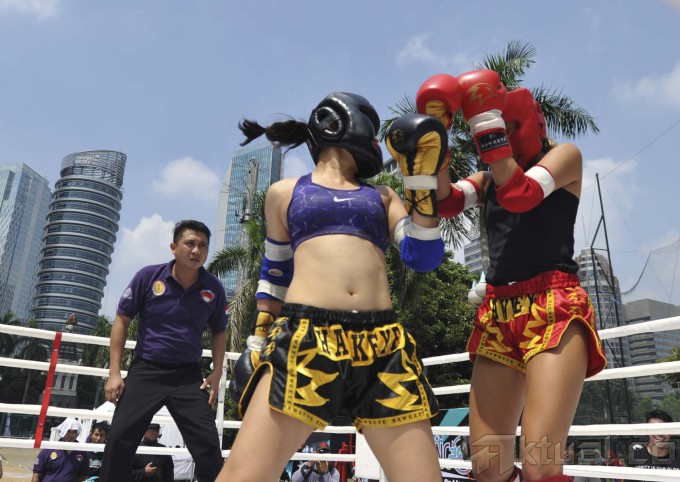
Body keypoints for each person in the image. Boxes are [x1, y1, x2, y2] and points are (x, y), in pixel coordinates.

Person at [215, 92, 447, 482]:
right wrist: (257, 340)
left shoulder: (383, 196)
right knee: (243, 476)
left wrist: (420, 181)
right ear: (340, 123)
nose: (376, 141)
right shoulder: (284, 192)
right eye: (372, 131)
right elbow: (275, 273)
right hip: (306, 339)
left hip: (383, 346)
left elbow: (423, 256)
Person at [416, 70, 608, 482]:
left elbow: (521, 194)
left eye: (507, 124)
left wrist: (485, 121)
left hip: (553, 308)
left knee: (541, 463)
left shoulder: (565, 156)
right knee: (488, 466)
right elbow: (446, 201)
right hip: (498, 313)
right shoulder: (488, 181)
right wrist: (436, 138)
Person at [100, 219, 227, 482]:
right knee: (119, 440)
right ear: (173, 247)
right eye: (190, 243)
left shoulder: (213, 287)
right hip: (147, 371)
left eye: (203, 245)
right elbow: (122, 319)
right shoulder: (148, 277)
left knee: (208, 446)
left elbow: (219, 331)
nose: (196, 250)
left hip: (188, 377)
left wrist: (217, 371)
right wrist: (114, 373)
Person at [32, 417, 90, 482]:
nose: (71, 435)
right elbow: (36, 476)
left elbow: (82, 477)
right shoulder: (48, 449)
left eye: (74, 432)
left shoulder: (82, 453)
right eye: (68, 431)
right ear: (63, 430)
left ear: (78, 434)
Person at [627, 409, 680, 479]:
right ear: (648, 432)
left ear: (671, 432)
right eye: (655, 429)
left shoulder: (678, 457)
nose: (659, 434)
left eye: (664, 429)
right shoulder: (636, 457)